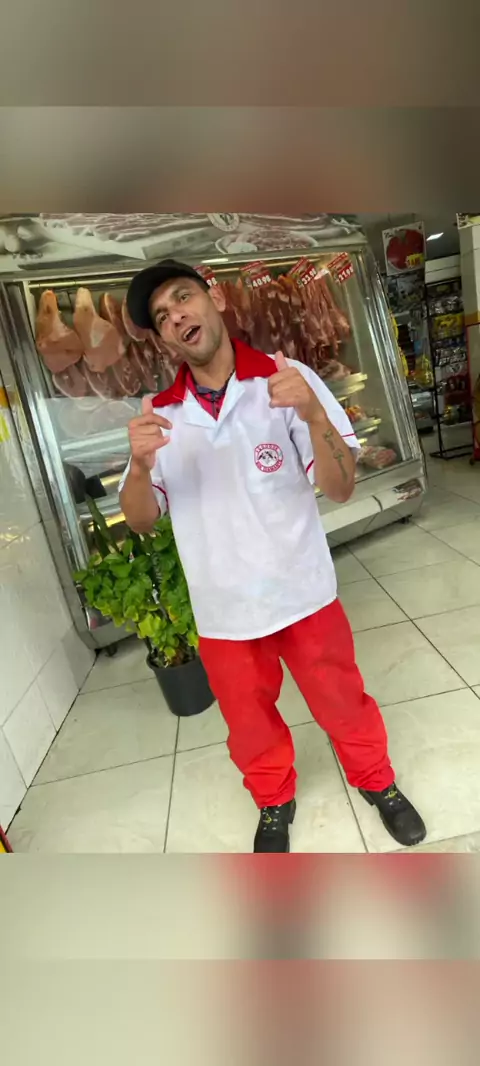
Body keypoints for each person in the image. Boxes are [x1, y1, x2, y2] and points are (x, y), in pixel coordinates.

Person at [120, 258, 426, 853]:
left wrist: (313, 412)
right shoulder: (160, 415)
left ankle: (377, 781)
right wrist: (137, 466)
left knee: (342, 699)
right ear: (162, 339)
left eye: (182, 297)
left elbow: (340, 487)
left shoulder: (286, 379)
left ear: (215, 299)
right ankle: (273, 800)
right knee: (249, 723)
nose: (175, 315)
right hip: (224, 611)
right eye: (161, 316)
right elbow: (141, 520)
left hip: (302, 591)